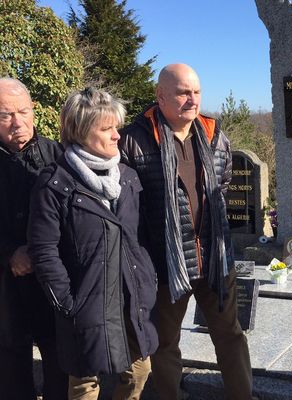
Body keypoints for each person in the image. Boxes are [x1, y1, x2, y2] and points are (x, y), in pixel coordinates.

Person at [119, 63, 254, 400]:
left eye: (195, 92)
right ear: (160, 95)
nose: (191, 99)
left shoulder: (213, 134)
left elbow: (221, 184)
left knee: (230, 335)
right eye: (182, 92)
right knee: (166, 343)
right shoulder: (135, 139)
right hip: (166, 264)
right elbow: (128, 204)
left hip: (214, 258)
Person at [28, 87, 158, 399]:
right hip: (86, 302)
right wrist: (68, 302)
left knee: (140, 372)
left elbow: (140, 236)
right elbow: (44, 250)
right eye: (107, 128)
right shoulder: (55, 183)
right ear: (82, 131)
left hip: (130, 297)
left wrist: (146, 279)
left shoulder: (126, 176)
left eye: (117, 126)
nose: (117, 136)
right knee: (86, 384)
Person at [0, 77, 68, 399]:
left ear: (34, 111)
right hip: (5, 281)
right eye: (5, 115)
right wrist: (10, 253)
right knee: (11, 358)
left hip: (50, 278)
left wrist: (42, 254)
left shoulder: (58, 155)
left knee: (58, 357)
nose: (17, 122)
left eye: (23, 111)